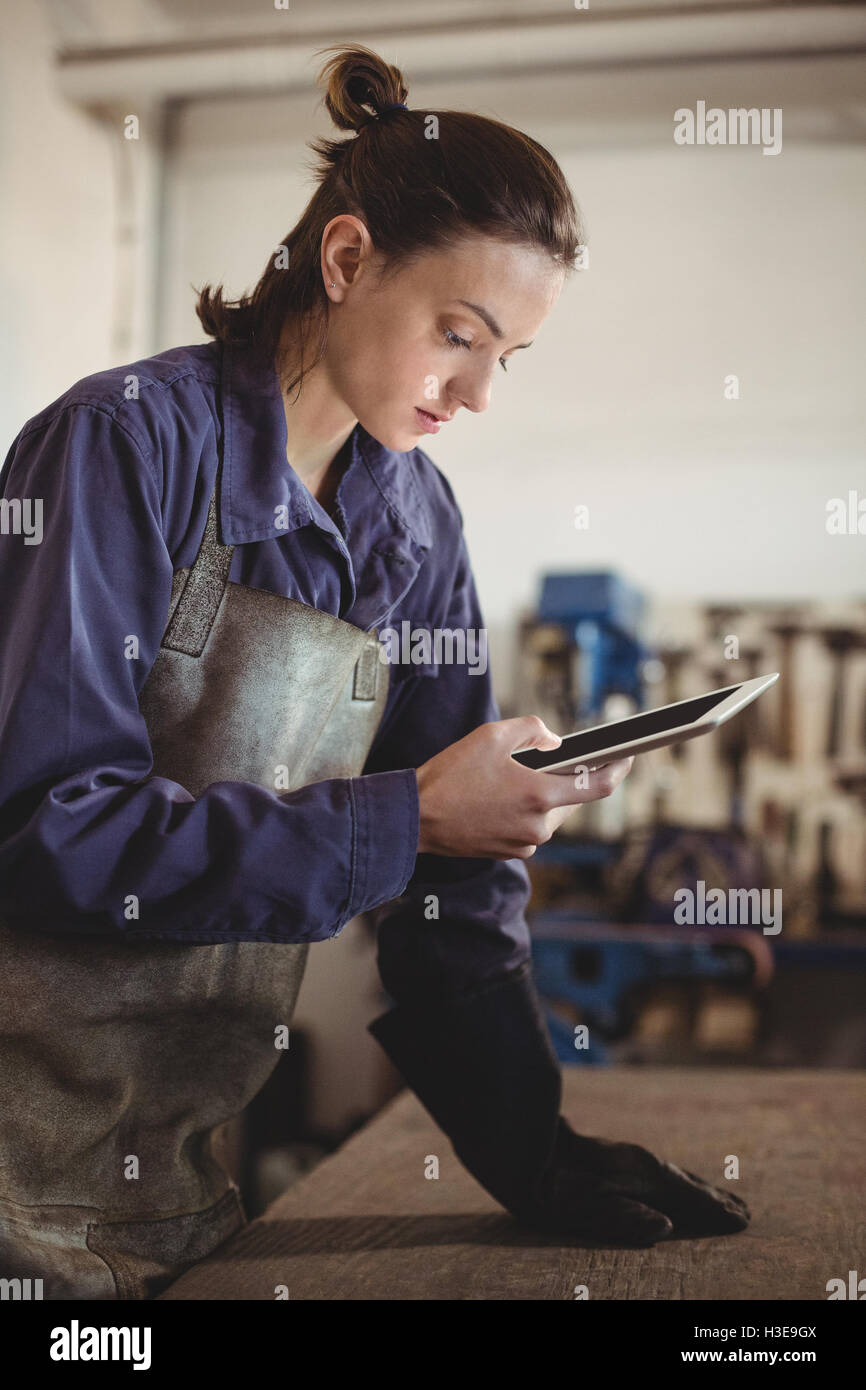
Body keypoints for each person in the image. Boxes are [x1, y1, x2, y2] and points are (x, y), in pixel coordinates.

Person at [0, 43, 748, 1300]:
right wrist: (401, 814)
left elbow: (451, 878)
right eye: (459, 334)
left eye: (506, 355)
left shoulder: (414, 523)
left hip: (178, 1184)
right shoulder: (120, 447)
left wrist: (530, 1145)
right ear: (345, 263)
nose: (476, 392)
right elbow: (43, 829)